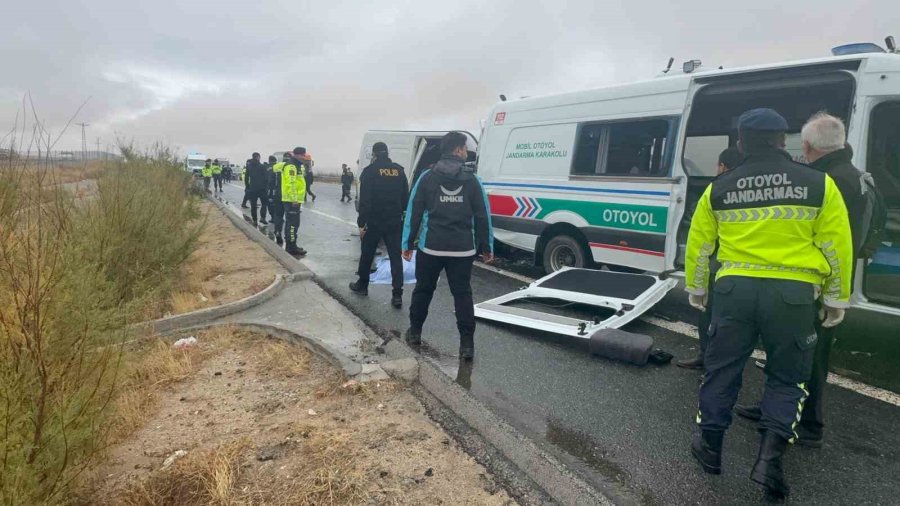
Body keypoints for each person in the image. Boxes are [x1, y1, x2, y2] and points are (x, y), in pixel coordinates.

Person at [685, 108, 852, 499]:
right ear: (784, 141)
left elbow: (700, 245)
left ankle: (710, 448)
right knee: (787, 377)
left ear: (741, 143)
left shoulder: (720, 187)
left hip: (733, 291)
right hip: (793, 295)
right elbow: (836, 247)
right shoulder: (819, 184)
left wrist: (697, 289)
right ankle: (769, 461)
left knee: (721, 369)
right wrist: (836, 298)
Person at [733, 112, 866, 448]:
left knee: (810, 357)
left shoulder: (828, 180)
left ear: (806, 146)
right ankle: (774, 409)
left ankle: (807, 425)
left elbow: (835, 244)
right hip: (815, 282)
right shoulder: (850, 174)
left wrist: (835, 296)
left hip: (815, 284)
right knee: (791, 351)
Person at [402, 132, 494, 360]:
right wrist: (486, 247)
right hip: (462, 250)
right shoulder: (473, 180)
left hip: (431, 247)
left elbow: (414, 212)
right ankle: (467, 346)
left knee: (423, 289)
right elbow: (483, 216)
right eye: (464, 148)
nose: (466, 152)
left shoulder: (427, 177)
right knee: (462, 294)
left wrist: (408, 243)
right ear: (458, 149)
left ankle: (414, 332)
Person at [676, 147, 744, 370]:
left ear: (722, 166)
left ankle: (708, 360)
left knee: (710, 316)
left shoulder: (717, 189)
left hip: (719, 267)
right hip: (746, 271)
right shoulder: (754, 187)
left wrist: (695, 286)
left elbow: (700, 239)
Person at [349, 142, 409, 308]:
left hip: (375, 221)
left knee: (367, 254)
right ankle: (397, 294)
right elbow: (406, 198)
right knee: (395, 257)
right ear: (387, 153)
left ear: (374, 155)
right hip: (394, 220)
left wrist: (362, 223)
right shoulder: (399, 170)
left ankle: (362, 284)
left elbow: (365, 201)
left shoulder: (370, 172)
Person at [281, 147, 308, 256]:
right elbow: (290, 183)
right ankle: (291, 247)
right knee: (292, 224)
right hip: (291, 200)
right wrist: (294, 199)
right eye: (302, 155)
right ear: (297, 155)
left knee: (294, 224)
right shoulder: (291, 166)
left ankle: (292, 245)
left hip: (293, 200)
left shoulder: (296, 165)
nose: (303, 157)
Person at [268, 153, 290, 245]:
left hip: (277, 194)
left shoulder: (277, 166)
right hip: (288, 195)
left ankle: (277, 232)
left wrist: (270, 195)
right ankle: (288, 237)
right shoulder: (291, 166)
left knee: (278, 215)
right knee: (289, 217)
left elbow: (271, 181)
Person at [244, 152, 269, 226]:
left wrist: (248, 186)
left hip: (252, 188)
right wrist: (266, 187)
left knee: (253, 205)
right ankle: (263, 217)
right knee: (264, 204)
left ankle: (255, 220)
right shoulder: (262, 166)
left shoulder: (249, 166)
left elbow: (246, 177)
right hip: (262, 189)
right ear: (258, 157)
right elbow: (266, 178)